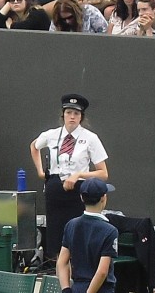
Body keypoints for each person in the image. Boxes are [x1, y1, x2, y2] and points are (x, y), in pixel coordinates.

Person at [30, 94, 109, 263]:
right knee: (57, 239)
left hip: (78, 191)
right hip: (56, 189)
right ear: (63, 114)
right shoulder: (52, 135)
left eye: (76, 113)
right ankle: (62, 283)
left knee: (77, 237)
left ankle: (78, 278)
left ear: (81, 116)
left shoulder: (90, 138)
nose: (72, 117)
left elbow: (103, 173)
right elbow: (34, 146)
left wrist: (79, 174)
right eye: (69, 113)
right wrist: (40, 171)